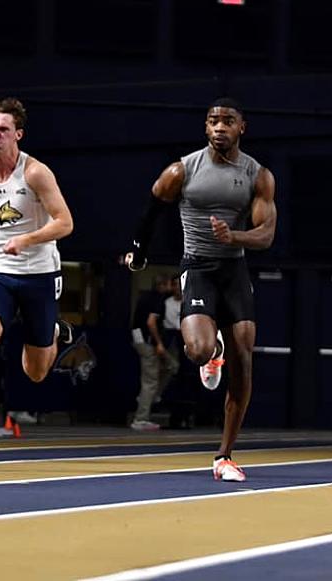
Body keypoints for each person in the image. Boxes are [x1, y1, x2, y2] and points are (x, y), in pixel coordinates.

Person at [124, 98, 277, 481]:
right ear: (205, 127)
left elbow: (266, 235)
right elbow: (152, 206)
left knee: (244, 358)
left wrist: (234, 236)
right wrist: (139, 252)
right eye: (213, 121)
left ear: (242, 127)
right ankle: (213, 351)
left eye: (227, 121)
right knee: (197, 351)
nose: (219, 127)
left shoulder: (258, 175)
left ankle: (224, 455)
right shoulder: (183, 170)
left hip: (234, 269)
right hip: (197, 267)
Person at [0, 97, 74, 450]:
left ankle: (51, 331)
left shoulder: (35, 172)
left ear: (17, 134)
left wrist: (27, 239)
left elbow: (65, 223)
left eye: (3, 129)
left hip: (39, 272)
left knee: (35, 372)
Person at [129, 275, 179, 431]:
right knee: (150, 381)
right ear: (163, 285)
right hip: (148, 341)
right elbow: (151, 322)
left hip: (139, 339)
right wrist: (159, 343)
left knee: (171, 366)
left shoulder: (145, 296)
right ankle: (140, 419)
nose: (172, 288)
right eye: (171, 284)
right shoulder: (158, 299)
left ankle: (149, 397)